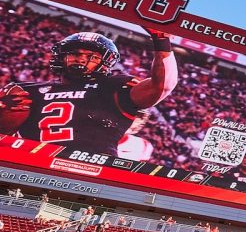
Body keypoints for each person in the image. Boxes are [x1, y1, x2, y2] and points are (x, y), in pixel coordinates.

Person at [6, 29, 178, 155]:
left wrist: (161, 42)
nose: (81, 59)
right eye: (74, 53)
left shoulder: (115, 85)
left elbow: (161, 86)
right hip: (32, 164)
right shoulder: (27, 90)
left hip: (90, 170)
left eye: (92, 56)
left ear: (105, 62)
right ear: (61, 57)